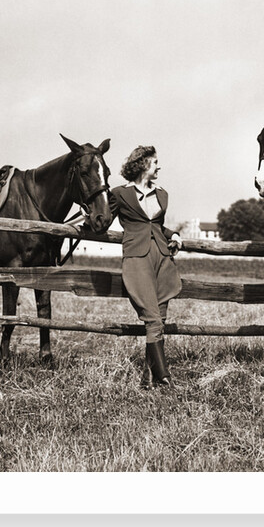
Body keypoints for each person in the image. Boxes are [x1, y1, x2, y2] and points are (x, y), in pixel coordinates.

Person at [72, 145, 183, 388]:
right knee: (153, 319)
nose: (158, 167)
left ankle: (148, 379)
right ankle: (164, 378)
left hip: (163, 259)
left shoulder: (162, 194)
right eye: (155, 162)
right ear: (143, 164)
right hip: (137, 259)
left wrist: (173, 234)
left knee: (159, 320)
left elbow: (158, 226)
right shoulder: (121, 194)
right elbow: (102, 221)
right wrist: (86, 218)